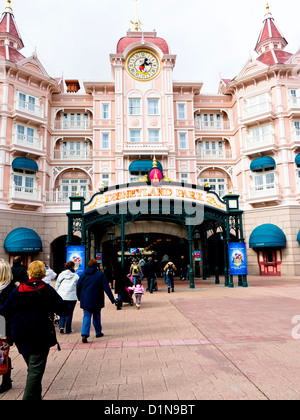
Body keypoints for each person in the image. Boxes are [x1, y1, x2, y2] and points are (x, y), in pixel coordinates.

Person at [0, 260, 68, 400]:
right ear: (43, 273)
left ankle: (36, 397)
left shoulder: (18, 290)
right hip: (40, 334)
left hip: (20, 334)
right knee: (35, 370)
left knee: (33, 368)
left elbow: (4, 311)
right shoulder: (47, 289)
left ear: (29, 272)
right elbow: (63, 310)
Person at [77, 259, 116, 343]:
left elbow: (78, 286)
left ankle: (84, 334)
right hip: (97, 299)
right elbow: (106, 287)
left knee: (86, 316)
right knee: (97, 316)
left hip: (86, 299)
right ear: (96, 265)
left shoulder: (83, 274)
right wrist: (112, 299)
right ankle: (98, 332)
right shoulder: (100, 274)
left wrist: (79, 297)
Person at [0, 259, 18, 394]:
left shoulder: (12, 289)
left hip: (3, 324)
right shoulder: (13, 288)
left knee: (3, 352)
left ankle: (6, 380)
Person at [55, 261, 79, 334]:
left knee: (62, 312)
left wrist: (56, 294)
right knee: (69, 313)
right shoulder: (76, 276)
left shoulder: (61, 274)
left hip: (61, 296)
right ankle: (68, 330)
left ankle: (61, 326)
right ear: (72, 266)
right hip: (71, 297)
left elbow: (57, 285)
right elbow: (78, 286)